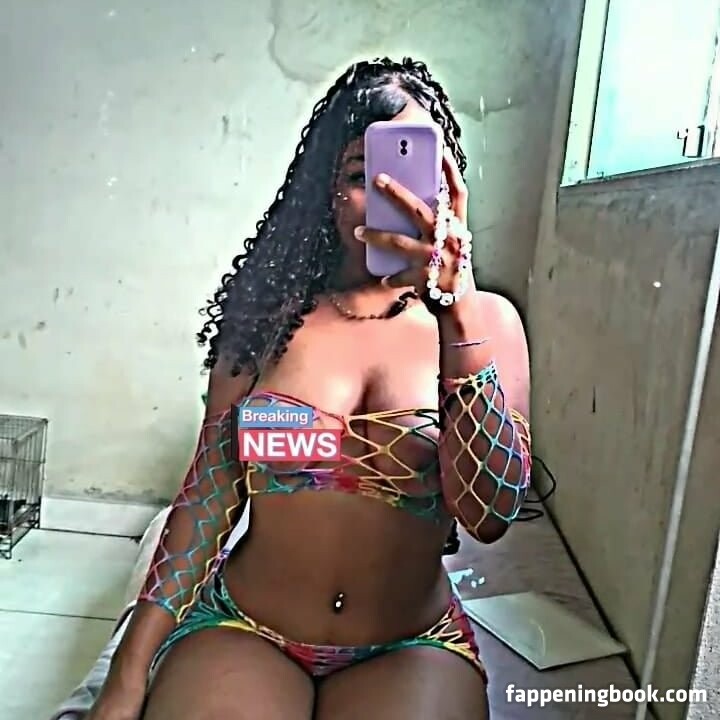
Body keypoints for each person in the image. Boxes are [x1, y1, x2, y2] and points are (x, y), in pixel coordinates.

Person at [87, 56, 531, 720]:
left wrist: (455, 310)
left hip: (410, 643)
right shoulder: (266, 317)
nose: (390, 193)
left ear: (448, 182)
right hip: (246, 628)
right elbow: (208, 500)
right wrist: (125, 677)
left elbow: (490, 514)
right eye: (360, 174)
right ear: (327, 190)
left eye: (413, 169)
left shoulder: (487, 322)